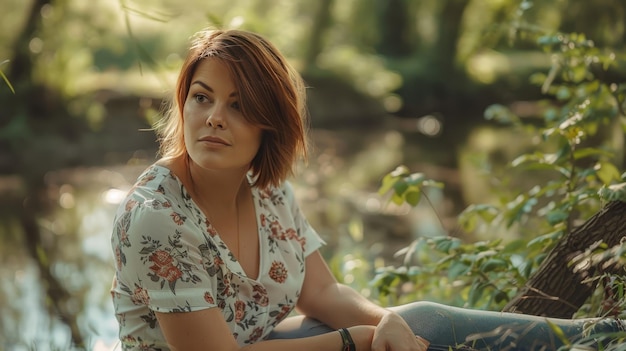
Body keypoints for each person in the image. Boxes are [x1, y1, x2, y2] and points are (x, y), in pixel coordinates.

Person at [110, 28, 624, 351]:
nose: (214, 118)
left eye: (239, 105)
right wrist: (351, 343)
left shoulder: (267, 191)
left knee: (415, 319)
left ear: (271, 122)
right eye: (202, 98)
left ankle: (604, 337)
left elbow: (321, 293)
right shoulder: (157, 217)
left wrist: (386, 325)